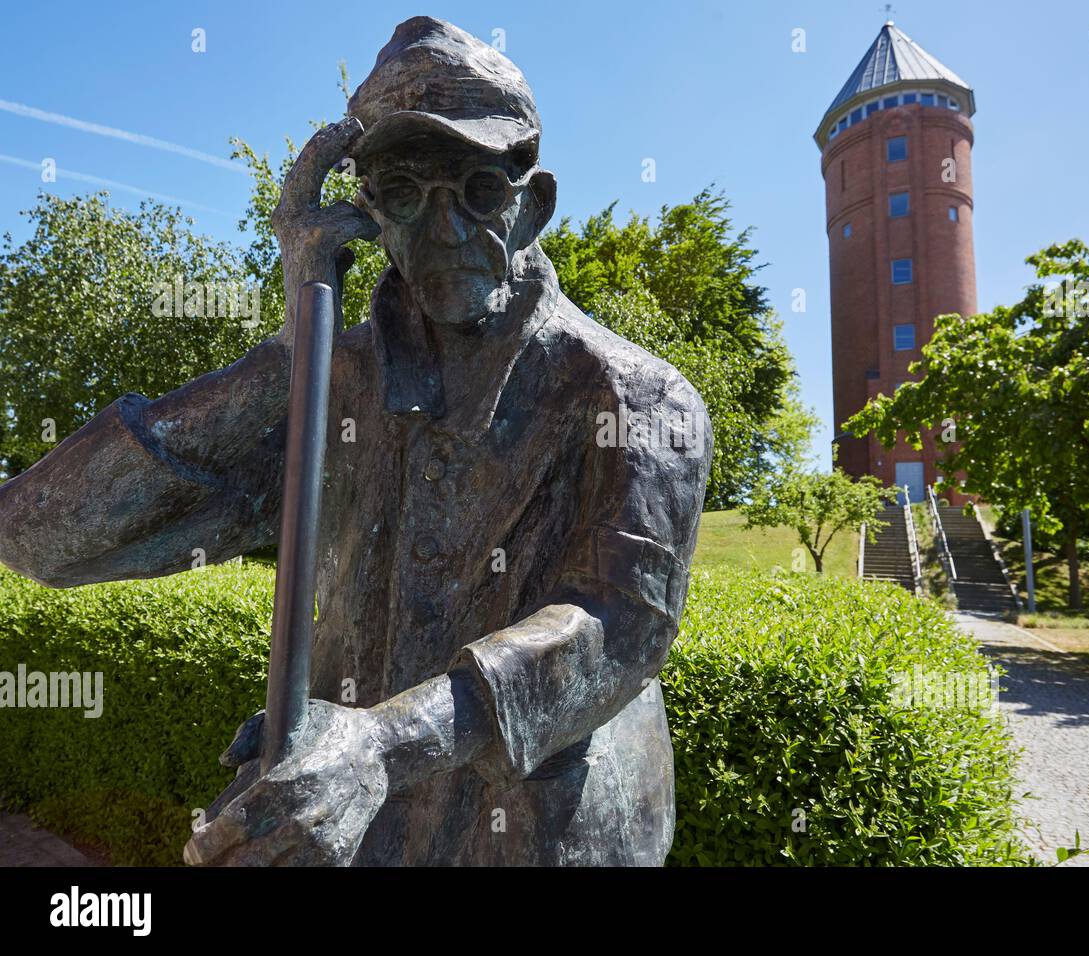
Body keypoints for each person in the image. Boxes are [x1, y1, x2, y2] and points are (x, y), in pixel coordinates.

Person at [0, 16, 710, 866]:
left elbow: (618, 625)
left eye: (478, 189)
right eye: (405, 193)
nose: (443, 229)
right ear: (365, 212)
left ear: (535, 207)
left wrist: (381, 744)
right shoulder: (332, 379)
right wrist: (297, 340)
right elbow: (39, 539)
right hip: (350, 830)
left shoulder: (637, 396)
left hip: (540, 836)